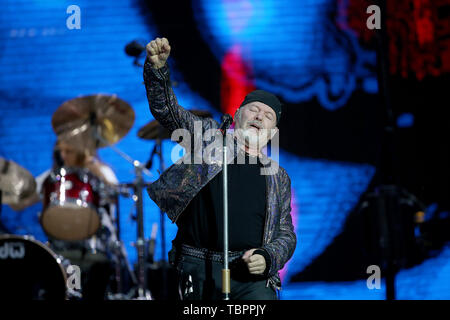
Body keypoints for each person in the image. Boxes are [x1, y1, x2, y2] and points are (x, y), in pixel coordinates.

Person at [143, 37, 296, 300]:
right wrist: (157, 72)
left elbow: (285, 234)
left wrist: (268, 257)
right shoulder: (210, 137)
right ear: (237, 114)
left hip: (250, 277)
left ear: (273, 132)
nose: (259, 116)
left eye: (267, 115)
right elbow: (169, 112)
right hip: (196, 266)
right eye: (253, 110)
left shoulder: (277, 176)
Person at [11, 137, 121, 299]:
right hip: (60, 251)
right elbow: (19, 204)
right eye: (60, 152)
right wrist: (9, 184)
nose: (63, 156)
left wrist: (94, 169)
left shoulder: (100, 171)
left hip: (95, 248)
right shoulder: (53, 177)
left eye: (68, 151)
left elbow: (115, 193)